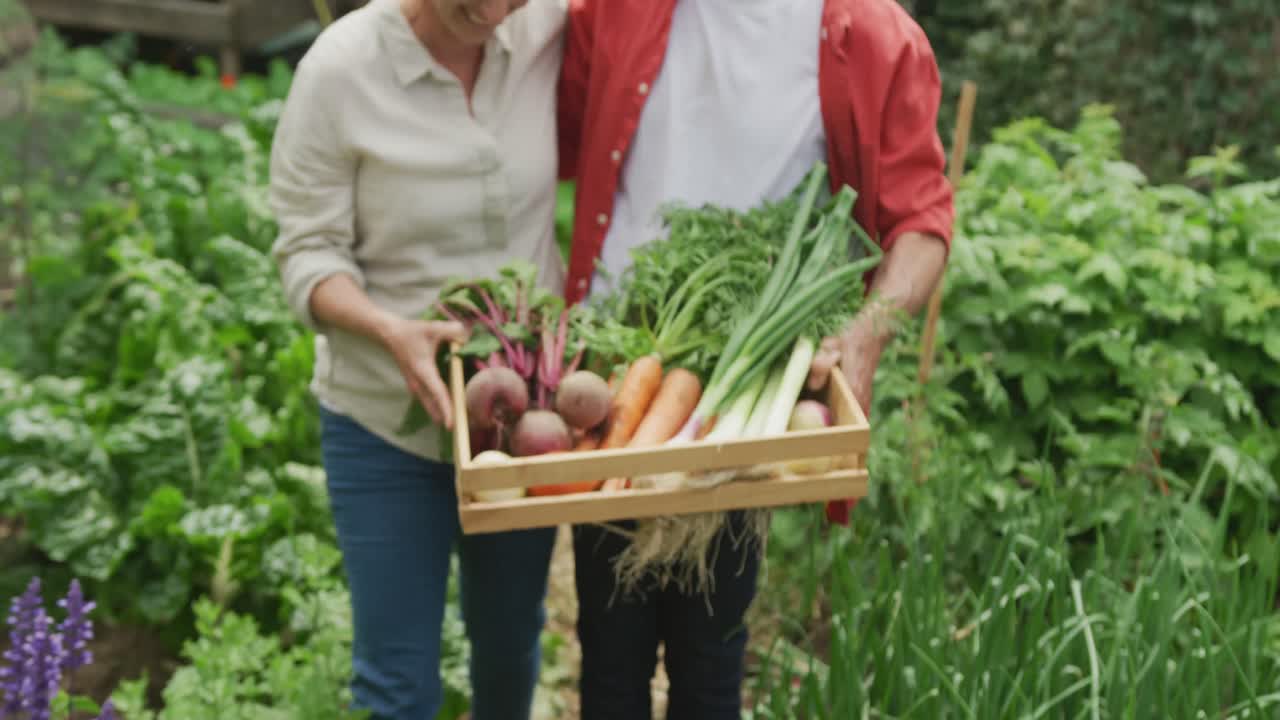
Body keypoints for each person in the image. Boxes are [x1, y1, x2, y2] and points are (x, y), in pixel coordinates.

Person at [556, 0, 955, 717]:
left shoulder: (867, 33)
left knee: (709, 660)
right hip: (621, 376)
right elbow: (545, 130)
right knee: (610, 655)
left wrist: (865, 336)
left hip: (745, 391)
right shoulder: (613, 10)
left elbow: (922, 221)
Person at [268, 0, 567, 717]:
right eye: (471, 4)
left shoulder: (547, 26)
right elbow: (307, 253)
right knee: (397, 683)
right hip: (382, 425)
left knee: (507, 646)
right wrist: (388, 329)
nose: (495, 15)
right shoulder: (340, 71)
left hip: (519, 426)